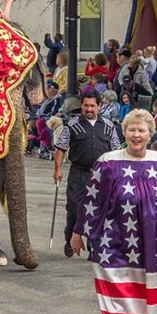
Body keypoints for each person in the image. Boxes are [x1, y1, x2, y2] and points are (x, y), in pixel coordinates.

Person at [71, 109, 157, 314]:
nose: (136, 135)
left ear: (150, 134)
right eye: (132, 130)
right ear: (124, 132)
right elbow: (91, 199)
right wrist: (78, 232)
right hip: (113, 243)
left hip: (153, 244)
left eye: (141, 130)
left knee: (144, 299)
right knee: (120, 298)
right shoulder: (108, 162)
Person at [53, 91, 122, 257]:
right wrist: (57, 169)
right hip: (78, 173)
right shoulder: (71, 124)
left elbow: (117, 150)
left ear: (99, 106)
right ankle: (70, 238)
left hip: (101, 175)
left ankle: (94, 247)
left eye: (92, 106)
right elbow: (61, 148)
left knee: (99, 211)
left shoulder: (109, 126)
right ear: (81, 106)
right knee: (75, 210)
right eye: (86, 105)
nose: (89, 109)